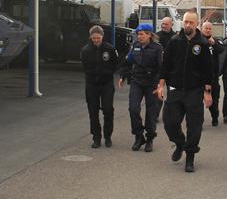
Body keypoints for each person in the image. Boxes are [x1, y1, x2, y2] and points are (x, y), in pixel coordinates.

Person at [157, 11, 213, 173]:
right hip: (175, 89)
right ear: (182, 22)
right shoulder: (174, 41)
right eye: (186, 22)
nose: (188, 25)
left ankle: (190, 157)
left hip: (194, 91)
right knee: (170, 122)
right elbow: (165, 66)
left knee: (195, 126)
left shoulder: (202, 43)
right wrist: (161, 85)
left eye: (191, 23)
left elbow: (208, 70)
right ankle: (180, 143)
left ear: (197, 24)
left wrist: (207, 92)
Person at [118, 24, 163, 152]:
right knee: (133, 109)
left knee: (151, 112)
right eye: (138, 34)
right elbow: (128, 63)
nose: (139, 36)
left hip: (151, 83)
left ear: (149, 35)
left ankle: (149, 139)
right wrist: (122, 76)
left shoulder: (157, 48)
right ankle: (138, 136)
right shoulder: (135, 46)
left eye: (141, 34)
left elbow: (161, 68)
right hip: (137, 81)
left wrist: (161, 85)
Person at [81, 25, 118, 148]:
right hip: (92, 85)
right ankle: (96, 138)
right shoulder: (85, 50)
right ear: (90, 37)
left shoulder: (110, 49)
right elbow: (84, 66)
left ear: (102, 36)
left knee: (108, 109)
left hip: (106, 84)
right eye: (94, 37)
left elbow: (115, 64)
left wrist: (107, 74)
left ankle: (108, 136)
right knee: (93, 111)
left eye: (98, 37)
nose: (96, 40)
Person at [201, 21, 225, 126]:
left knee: (214, 101)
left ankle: (214, 116)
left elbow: (221, 49)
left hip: (212, 77)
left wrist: (213, 44)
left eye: (209, 28)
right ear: (202, 29)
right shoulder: (197, 40)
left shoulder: (216, 41)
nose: (208, 30)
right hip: (199, 77)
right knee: (196, 102)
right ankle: (198, 122)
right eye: (206, 28)